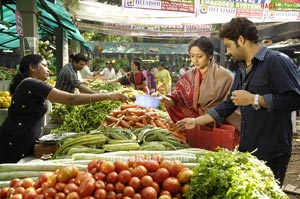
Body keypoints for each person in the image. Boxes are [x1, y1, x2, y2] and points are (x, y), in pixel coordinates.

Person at [176, 17, 300, 186]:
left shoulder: (276, 61)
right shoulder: (243, 68)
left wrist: (254, 99)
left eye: (228, 45)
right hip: (248, 148)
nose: (227, 51)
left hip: (272, 151)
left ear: (241, 40)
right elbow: (229, 104)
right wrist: (196, 121)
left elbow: (295, 99)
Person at [0, 54, 129, 163]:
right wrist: (108, 95)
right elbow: (70, 99)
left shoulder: (30, 84)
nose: (48, 69)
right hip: (15, 141)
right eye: (44, 66)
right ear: (32, 67)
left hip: (20, 139)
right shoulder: (31, 83)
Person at [154, 36, 234, 125]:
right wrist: (163, 98)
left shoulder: (224, 76)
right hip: (191, 126)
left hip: (217, 126)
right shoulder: (187, 75)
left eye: (199, 56)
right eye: (192, 56)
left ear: (210, 55)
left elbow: (231, 106)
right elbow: (176, 101)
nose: (195, 60)